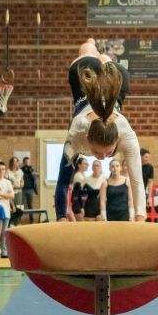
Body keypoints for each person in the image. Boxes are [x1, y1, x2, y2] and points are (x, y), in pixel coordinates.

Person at [55, 39, 145, 222]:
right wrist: (61, 217)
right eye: (97, 152)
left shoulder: (127, 136)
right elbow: (63, 181)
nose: (103, 158)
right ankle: (94, 47)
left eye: (109, 152)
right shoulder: (77, 135)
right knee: (93, 54)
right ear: (87, 139)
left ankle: (98, 51)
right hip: (110, 79)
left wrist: (140, 216)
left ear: (118, 139)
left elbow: (137, 181)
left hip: (85, 82)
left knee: (95, 56)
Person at [70, 157, 88, 221]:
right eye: (85, 164)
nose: (87, 165)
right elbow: (78, 193)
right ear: (79, 165)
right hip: (78, 204)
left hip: (81, 203)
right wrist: (81, 207)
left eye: (87, 164)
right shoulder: (78, 176)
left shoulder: (83, 175)